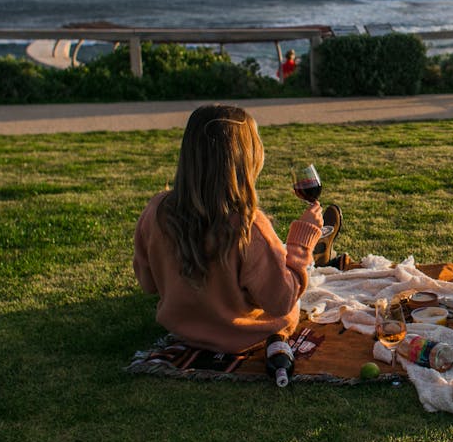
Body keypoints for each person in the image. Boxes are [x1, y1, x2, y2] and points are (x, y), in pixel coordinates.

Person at [132, 104, 337, 354]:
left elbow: (148, 283)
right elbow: (281, 301)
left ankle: (308, 257)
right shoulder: (248, 226)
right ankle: (311, 255)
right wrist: (301, 243)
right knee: (287, 264)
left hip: (184, 333)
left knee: (267, 260)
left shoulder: (155, 211)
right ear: (246, 158)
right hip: (249, 336)